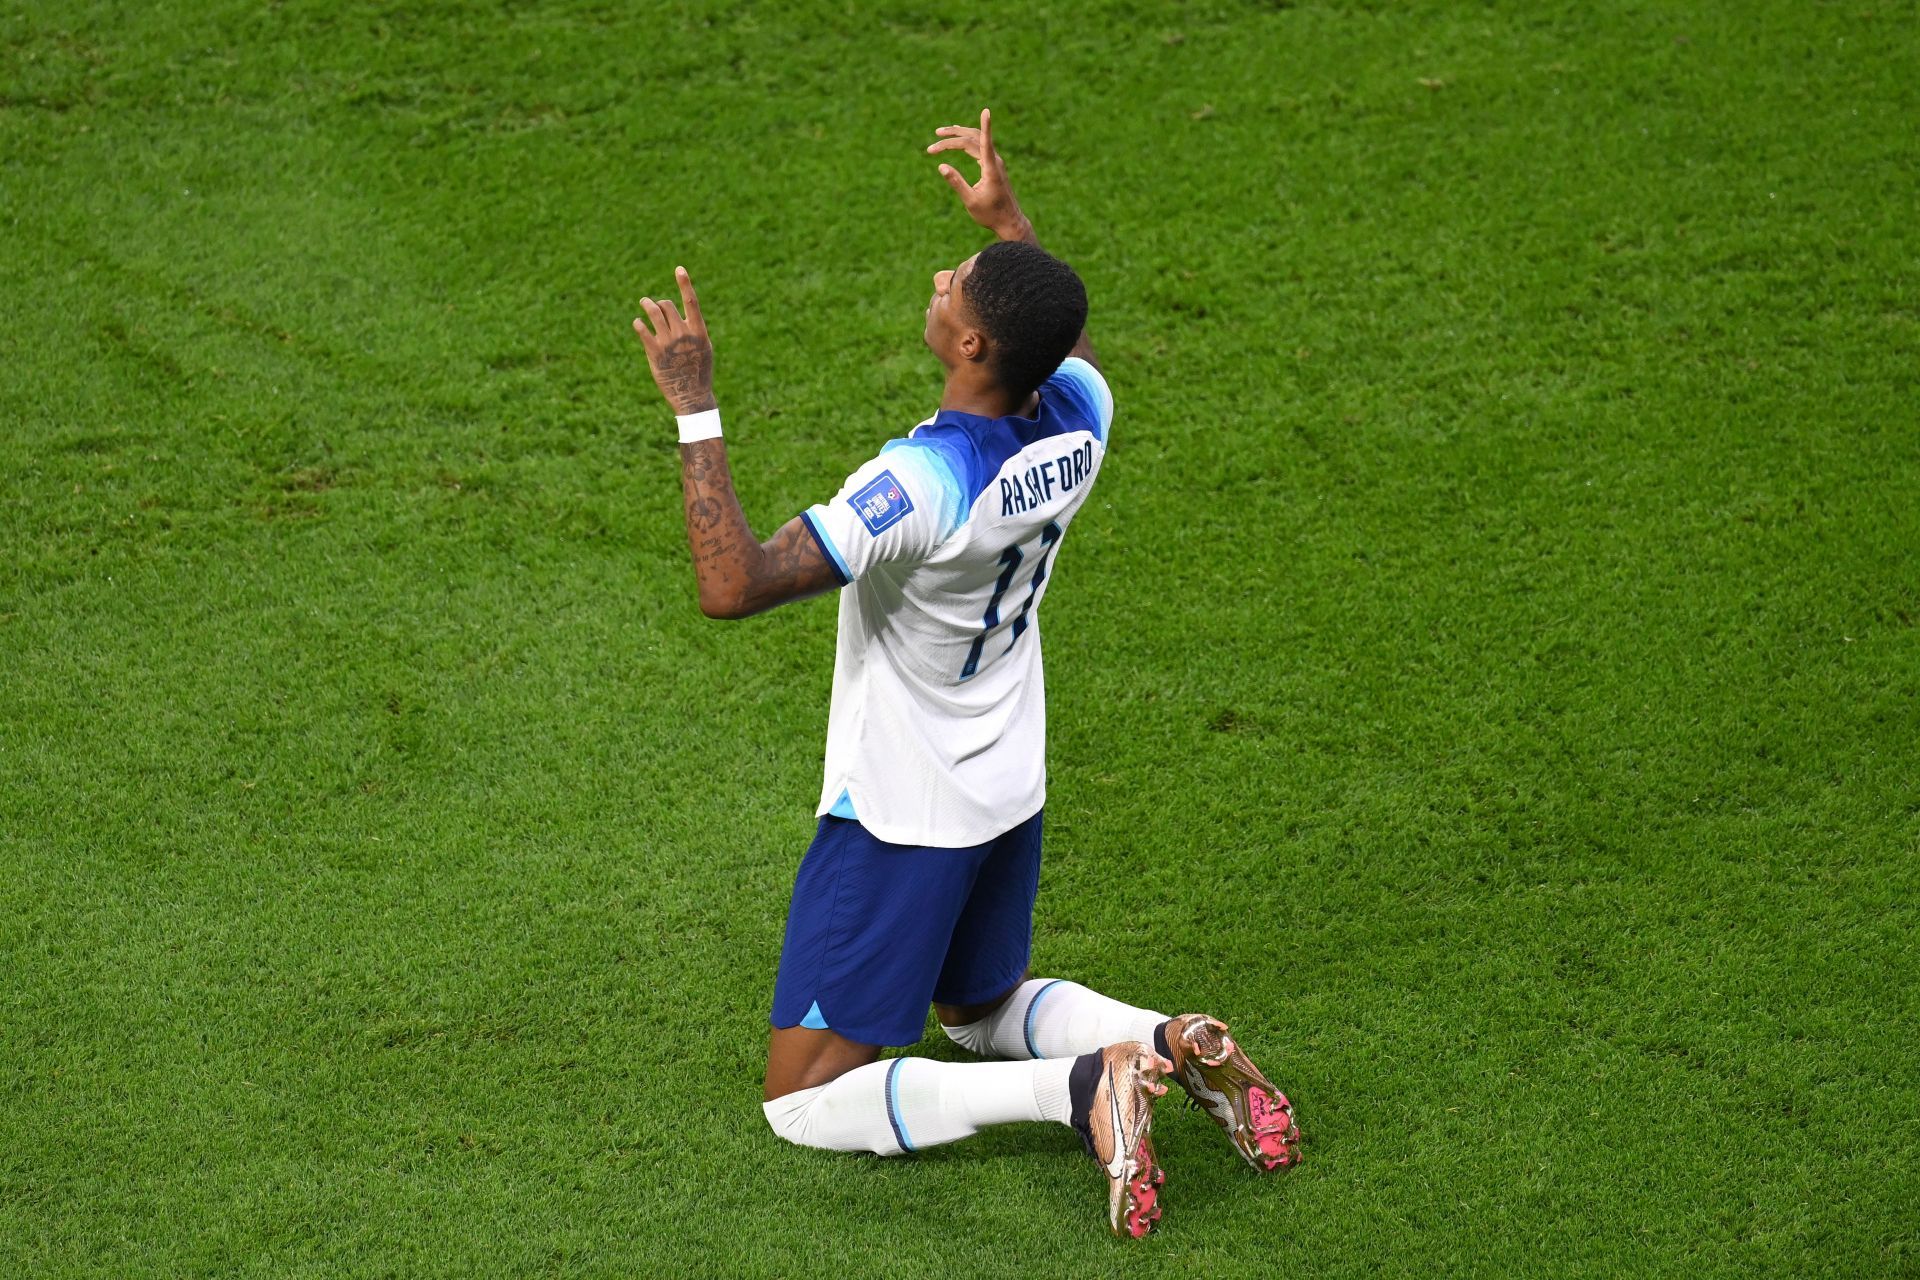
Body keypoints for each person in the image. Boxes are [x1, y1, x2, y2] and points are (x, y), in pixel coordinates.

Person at [630, 109, 1299, 1238]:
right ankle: (1177, 1038)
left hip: (904, 806)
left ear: (976, 346)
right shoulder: (1080, 417)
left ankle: (1083, 1086)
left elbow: (730, 583)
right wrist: (1008, 220)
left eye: (963, 279)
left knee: (800, 1099)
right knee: (976, 1003)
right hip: (1007, 779)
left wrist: (695, 401)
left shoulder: (923, 483)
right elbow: (1066, 342)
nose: (944, 275)